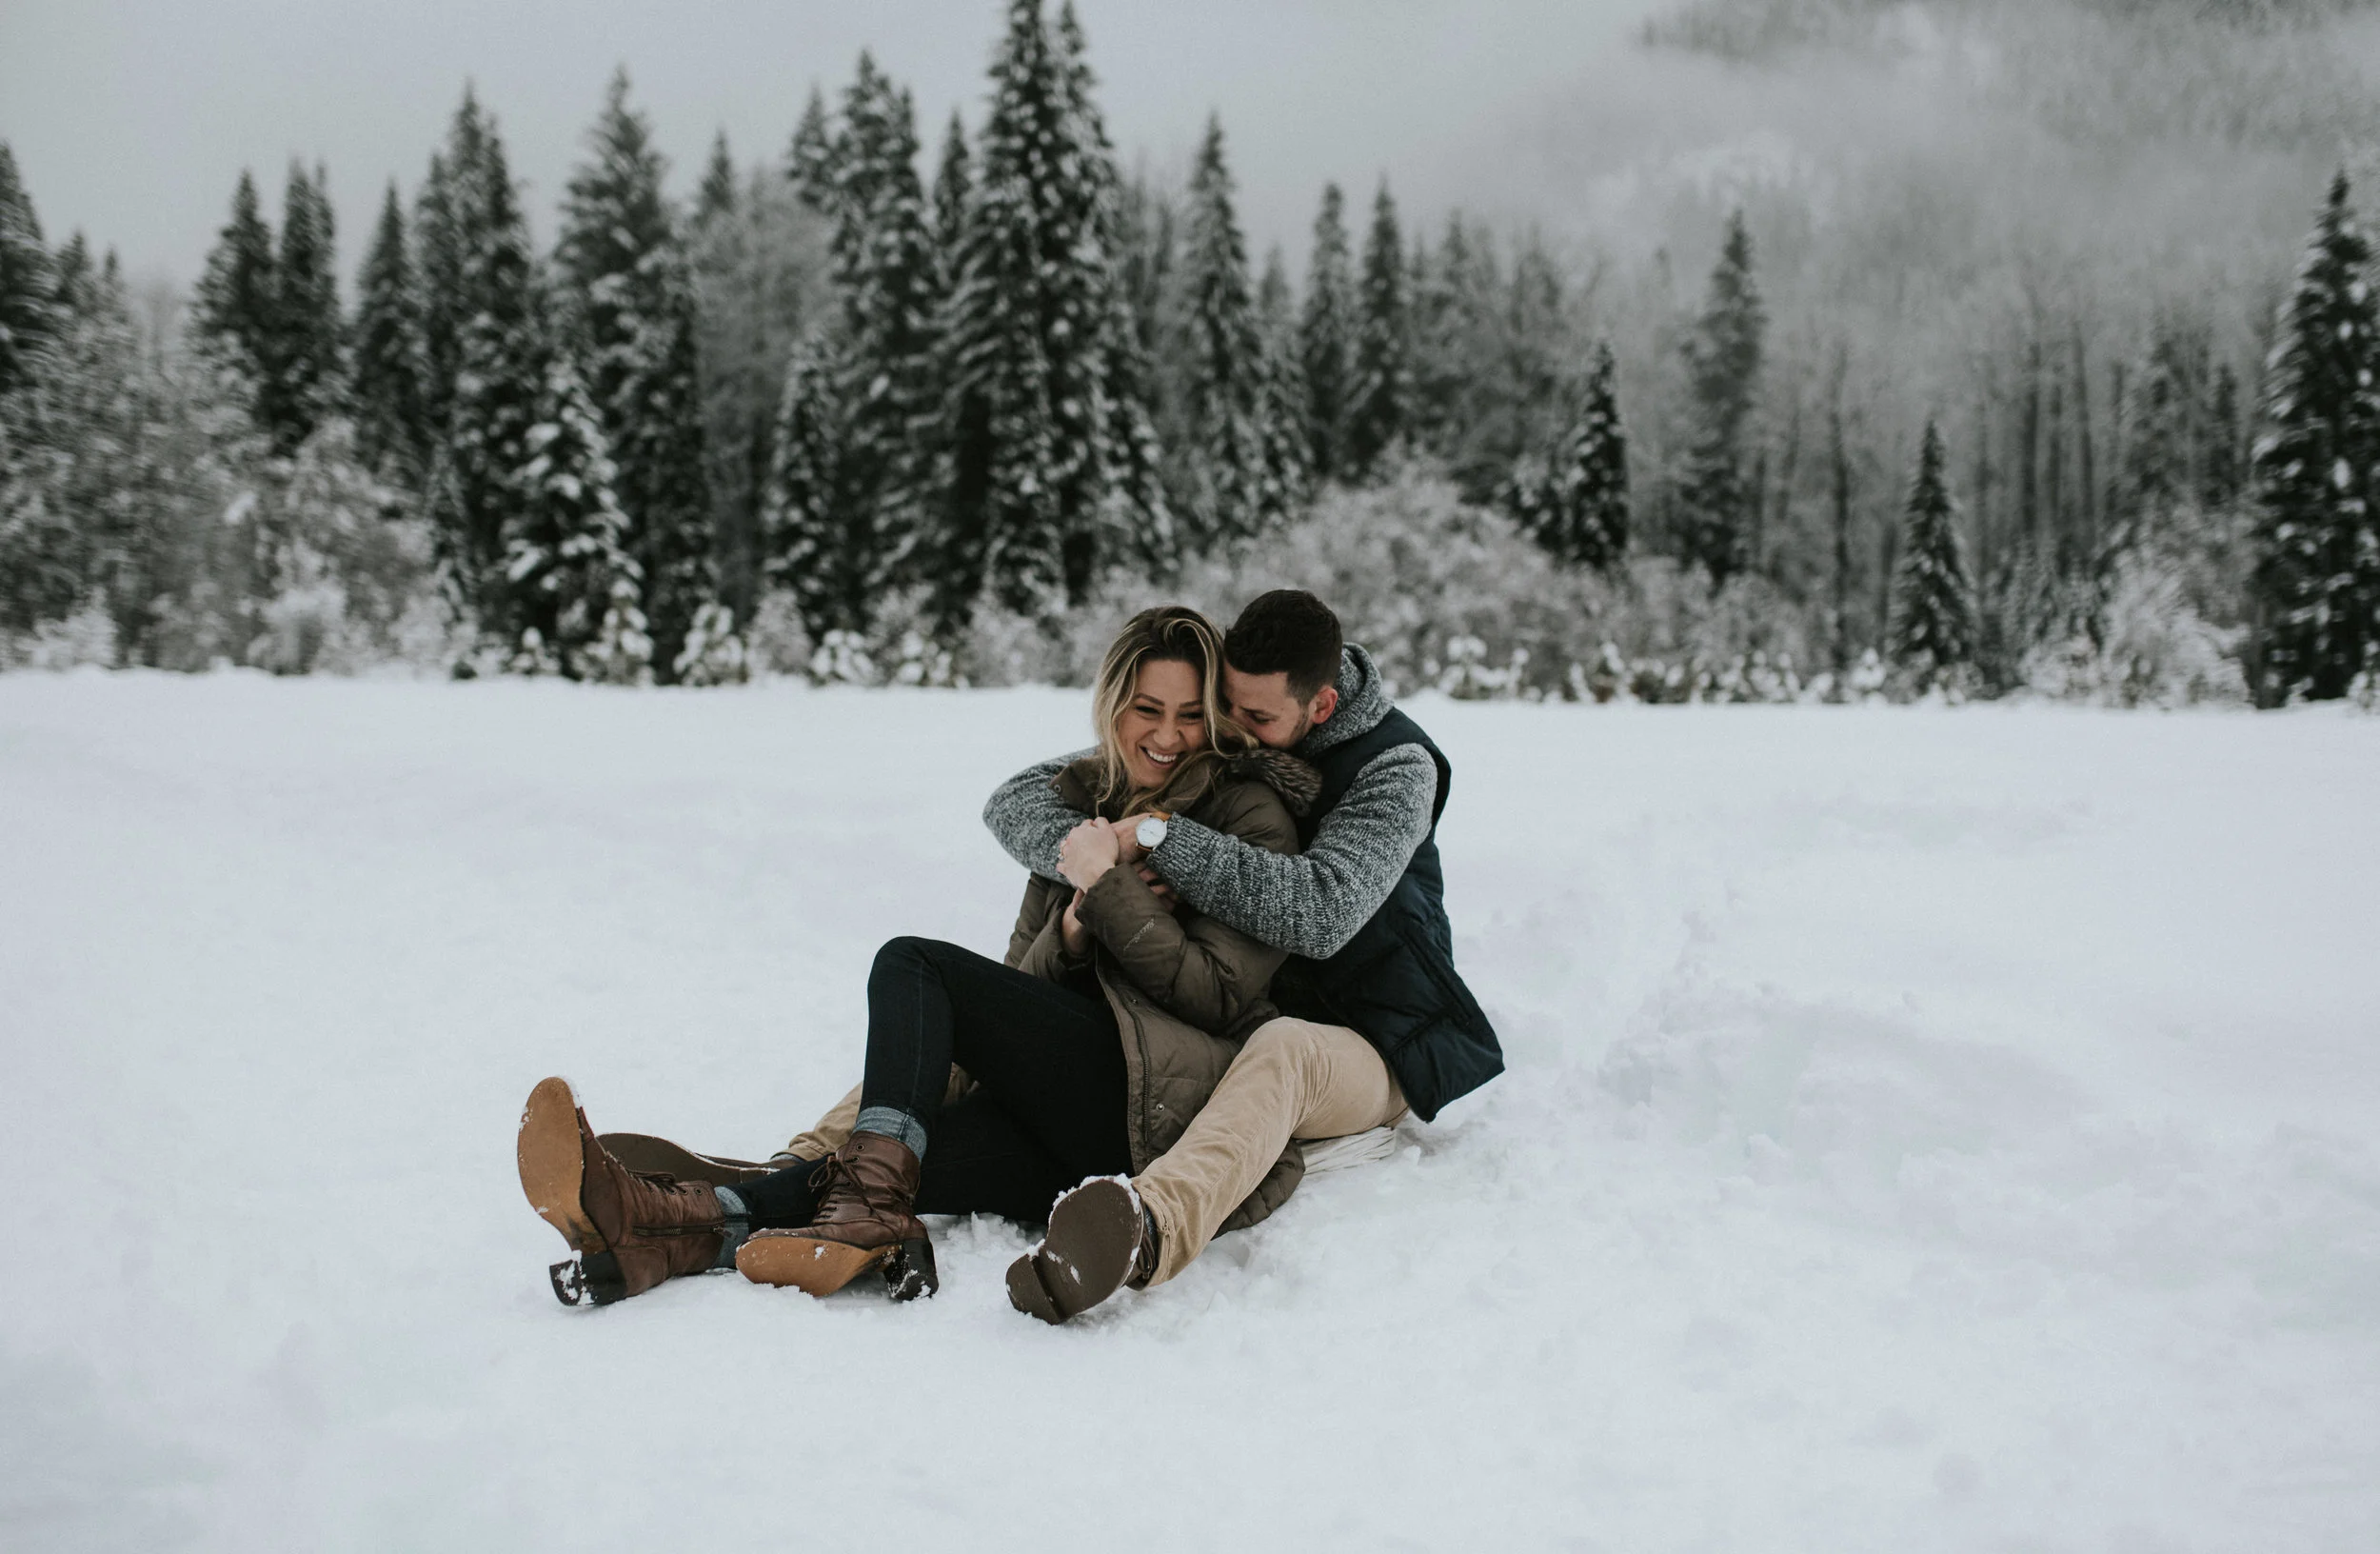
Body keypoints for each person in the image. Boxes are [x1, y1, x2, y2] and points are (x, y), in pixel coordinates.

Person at [513, 605, 1319, 1308]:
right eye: (1148, 709)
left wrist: (1112, 890)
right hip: (1056, 1121)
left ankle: (825, 1213)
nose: (1169, 735)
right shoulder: (1081, 808)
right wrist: (1073, 931)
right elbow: (1017, 989)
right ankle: (665, 1233)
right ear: (1113, 707)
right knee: (888, 1162)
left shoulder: (1245, 815)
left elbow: (1216, 998)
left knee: (915, 965)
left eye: (1188, 715)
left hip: (1151, 1113)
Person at [981, 588, 1502, 1322]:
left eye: (1255, 719)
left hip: (1378, 1037)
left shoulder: (1396, 768)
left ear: (1320, 708)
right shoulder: (1238, 731)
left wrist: (1161, 836)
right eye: (1225, 708)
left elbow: (1321, 914)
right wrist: (1091, 859)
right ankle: (812, 1165)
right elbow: (1022, 797)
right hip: (1249, 1020)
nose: (1235, 733)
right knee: (977, 996)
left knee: (1287, 1050)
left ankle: (1147, 1230)